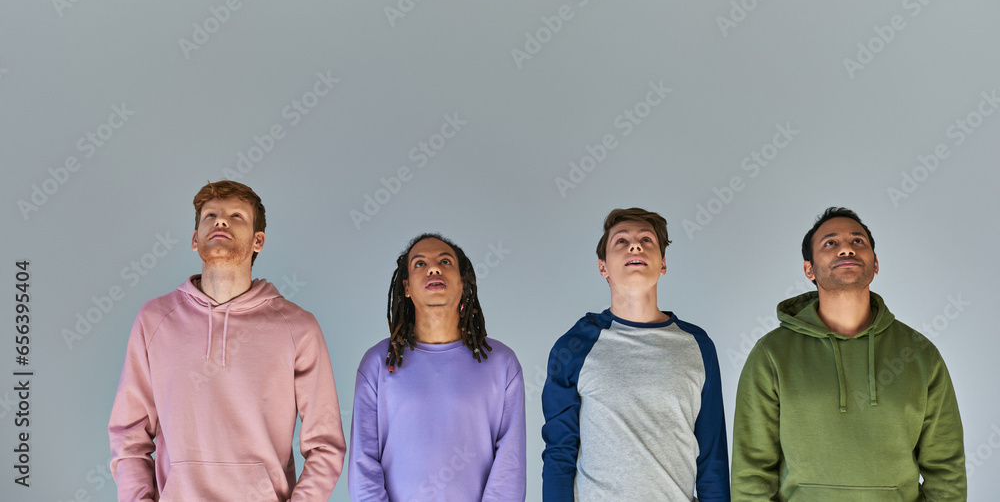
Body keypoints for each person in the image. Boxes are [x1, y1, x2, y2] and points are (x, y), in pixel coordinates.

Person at [109, 180, 346, 501]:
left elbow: (325, 444)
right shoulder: (154, 319)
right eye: (210, 215)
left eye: (236, 216)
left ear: (258, 240)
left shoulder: (298, 327)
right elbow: (129, 433)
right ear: (195, 240)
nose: (220, 221)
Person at [731, 207, 966, 499]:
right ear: (809, 270)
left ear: (875, 263)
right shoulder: (772, 355)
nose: (846, 249)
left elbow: (946, 469)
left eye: (858, 242)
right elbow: (751, 471)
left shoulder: (919, 353)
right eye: (830, 243)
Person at [541, 207, 729, 501]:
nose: (635, 245)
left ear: (663, 264)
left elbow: (712, 454)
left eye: (646, 240)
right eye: (621, 241)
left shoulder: (698, 345)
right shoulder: (575, 345)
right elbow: (559, 453)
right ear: (603, 267)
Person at [349, 233, 526, 501]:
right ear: (406, 287)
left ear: (462, 282)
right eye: (420, 263)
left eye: (445, 261)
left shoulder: (502, 364)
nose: (434, 268)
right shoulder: (378, 362)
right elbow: (363, 462)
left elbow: (510, 466)